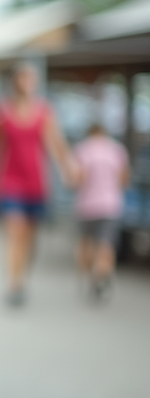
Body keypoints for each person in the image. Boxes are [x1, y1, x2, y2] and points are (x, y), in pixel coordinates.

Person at [0, 63, 74, 307]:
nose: (27, 83)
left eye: (31, 78)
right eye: (23, 78)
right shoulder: (2, 112)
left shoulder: (44, 111)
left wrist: (68, 168)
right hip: (10, 182)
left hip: (36, 183)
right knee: (15, 232)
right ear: (15, 81)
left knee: (31, 237)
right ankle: (14, 284)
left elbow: (57, 144)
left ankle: (23, 276)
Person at [72, 122, 129, 301]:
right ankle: (102, 272)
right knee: (106, 243)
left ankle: (87, 277)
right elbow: (124, 179)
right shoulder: (117, 150)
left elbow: (78, 178)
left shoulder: (83, 149)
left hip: (86, 205)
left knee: (86, 242)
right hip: (111, 205)